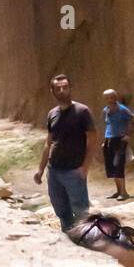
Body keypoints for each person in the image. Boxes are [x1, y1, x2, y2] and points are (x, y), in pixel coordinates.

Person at [33, 73, 97, 231]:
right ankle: (69, 240)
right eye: (58, 88)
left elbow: (93, 140)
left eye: (65, 87)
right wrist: (41, 169)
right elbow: (48, 143)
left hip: (74, 171)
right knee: (61, 211)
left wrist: (85, 167)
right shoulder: (52, 114)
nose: (62, 91)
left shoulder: (82, 112)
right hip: (54, 171)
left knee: (81, 211)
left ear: (70, 88)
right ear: (52, 91)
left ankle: (86, 242)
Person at [102, 89, 134, 200]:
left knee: (119, 165)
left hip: (120, 139)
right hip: (109, 140)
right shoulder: (106, 110)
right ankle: (118, 191)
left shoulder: (122, 110)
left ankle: (124, 192)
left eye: (111, 97)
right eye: (107, 98)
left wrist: (128, 135)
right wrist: (105, 141)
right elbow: (109, 126)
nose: (109, 100)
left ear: (115, 97)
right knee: (111, 166)